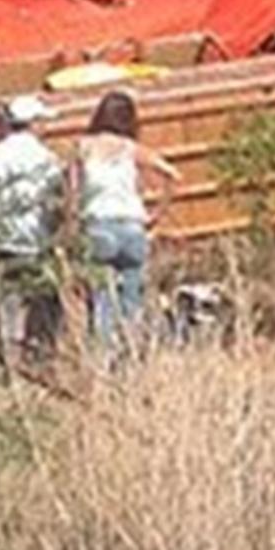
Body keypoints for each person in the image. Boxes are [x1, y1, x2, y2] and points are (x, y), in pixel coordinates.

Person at [69, 90, 180, 355]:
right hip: (132, 227)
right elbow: (172, 174)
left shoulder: (82, 148)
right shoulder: (132, 149)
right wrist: (158, 213)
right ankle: (130, 357)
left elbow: (72, 195)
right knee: (132, 300)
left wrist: (71, 229)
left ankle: (101, 359)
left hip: (98, 226)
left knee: (101, 300)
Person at [0, 94, 66, 365]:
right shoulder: (46, 159)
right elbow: (56, 200)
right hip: (36, 240)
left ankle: (9, 361)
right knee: (44, 304)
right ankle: (40, 358)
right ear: (33, 123)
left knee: (8, 305)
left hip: (1, 239)